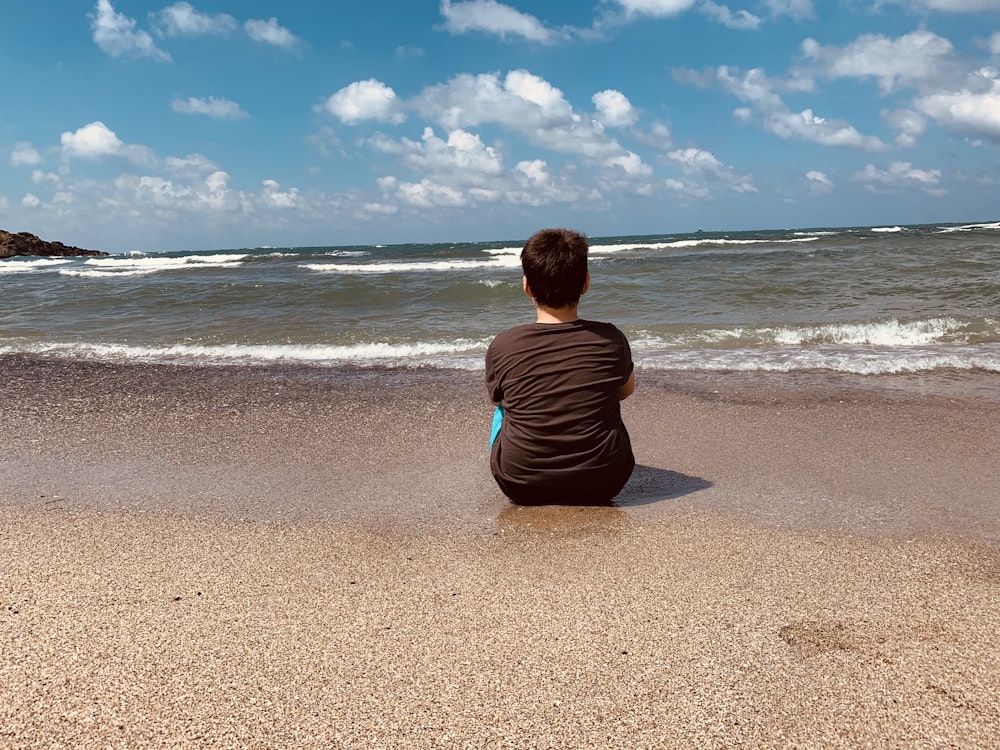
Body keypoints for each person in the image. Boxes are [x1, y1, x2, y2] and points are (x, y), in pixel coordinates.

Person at [485, 228, 635, 505]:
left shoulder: (503, 344)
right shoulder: (611, 339)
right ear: (586, 283)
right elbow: (626, 391)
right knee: (609, 395)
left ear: (527, 285)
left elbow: (497, 398)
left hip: (519, 483)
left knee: (503, 404)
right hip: (604, 482)